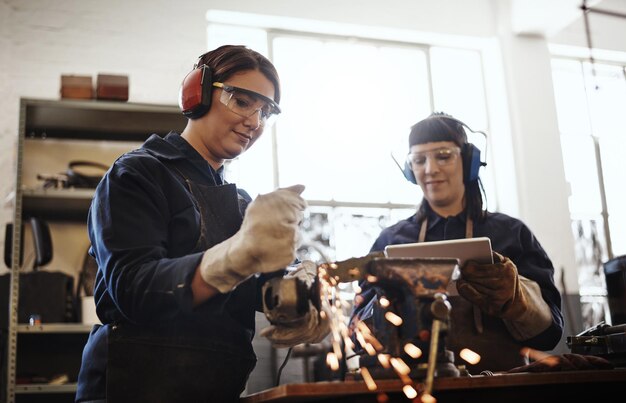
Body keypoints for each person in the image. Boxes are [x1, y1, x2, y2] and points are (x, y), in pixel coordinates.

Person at [75, 45, 328, 403]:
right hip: (132, 387)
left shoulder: (240, 202)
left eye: (265, 112)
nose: (255, 123)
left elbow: (253, 289)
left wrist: (299, 291)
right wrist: (234, 257)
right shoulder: (137, 174)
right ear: (197, 93)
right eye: (242, 102)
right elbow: (133, 289)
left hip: (215, 387)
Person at [349, 112, 564, 374]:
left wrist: (518, 301)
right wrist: (385, 307)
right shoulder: (389, 242)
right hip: (418, 391)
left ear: (468, 160)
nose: (430, 170)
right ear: (410, 170)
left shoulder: (512, 234)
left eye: (443, 155)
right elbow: (357, 336)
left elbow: (549, 337)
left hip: (501, 389)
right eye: (419, 160)